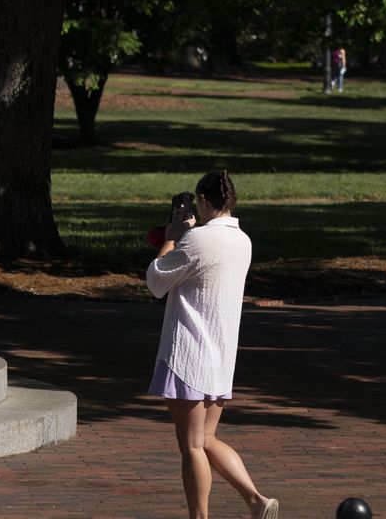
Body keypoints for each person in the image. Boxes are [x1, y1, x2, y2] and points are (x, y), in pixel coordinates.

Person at [146, 170, 277, 519]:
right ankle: (256, 500)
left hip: (188, 356)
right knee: (206, 440)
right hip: (220, 357)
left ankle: (200, 517)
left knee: (191, 446)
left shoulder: (196, 241)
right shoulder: (243, 241)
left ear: (202, 201)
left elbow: (156, 279)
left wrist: (172, 237)